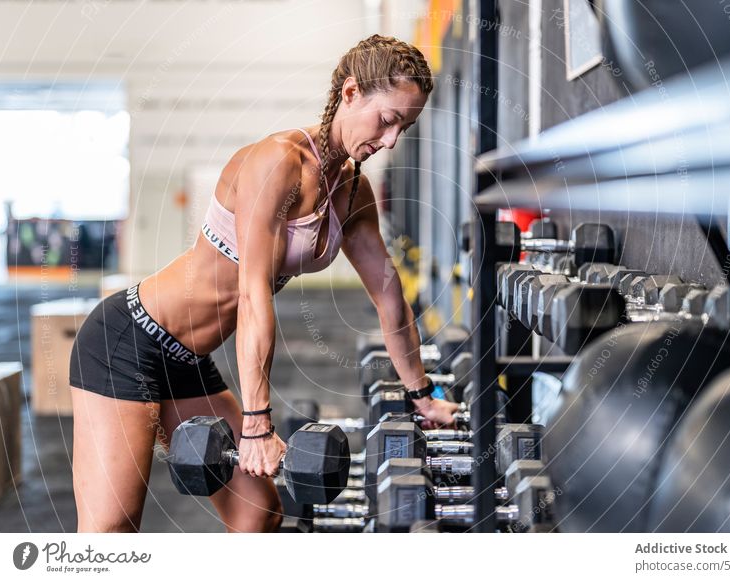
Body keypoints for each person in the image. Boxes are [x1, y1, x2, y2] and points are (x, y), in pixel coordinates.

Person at [68, 34, 459, 533]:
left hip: (186, 359)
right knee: (111, 532)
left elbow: (389, 297)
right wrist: (255, 422)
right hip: (127, 339)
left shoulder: (354, 193)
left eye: (405, 126)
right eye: (387, 120)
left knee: (259, 512)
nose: (390, 141)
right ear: (351, 93)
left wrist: (421, 395)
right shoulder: (279, 163)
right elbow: (253, 297)